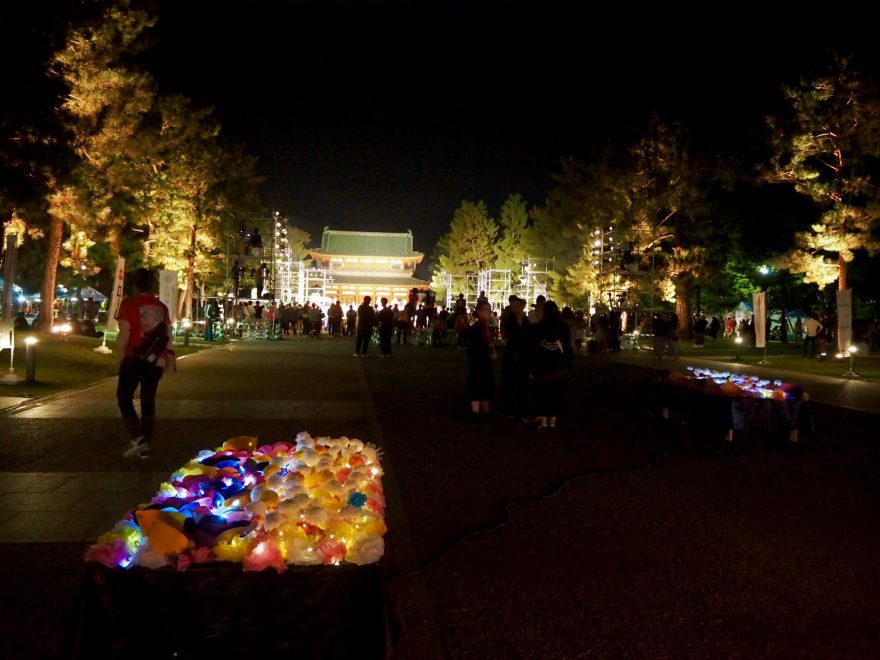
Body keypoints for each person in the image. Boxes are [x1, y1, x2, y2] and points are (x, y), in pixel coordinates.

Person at [116, 267, 173, 460]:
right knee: (148, 399)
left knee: (124, 397)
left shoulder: (129, 304)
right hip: (156, 360)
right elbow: (169, 335)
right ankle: (145, 443)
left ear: (135, 285)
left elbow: (124, 334)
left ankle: (138, 437)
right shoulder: (161, 307)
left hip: (134, 357)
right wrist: (167, 358)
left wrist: (122, 357)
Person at [527, 300, 569, 431]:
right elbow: (567, 348)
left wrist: (531, 369)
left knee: (541, 394)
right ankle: (553, 421)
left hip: (541, 368)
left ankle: (544, 421)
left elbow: (532, 350)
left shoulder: (536, 328)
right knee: (556, 395)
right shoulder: (563, 328)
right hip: (558, 367)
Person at [466, 299, 496, 425]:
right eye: (486, 310)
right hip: (479, 362)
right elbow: (476, 347)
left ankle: (481, 414)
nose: (488, 312)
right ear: (479, 311)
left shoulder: (485, 327)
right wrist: (490, 351)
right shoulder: (478, 328)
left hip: (483, 362)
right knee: (479, 388)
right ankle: (479, 414)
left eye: (489, 310)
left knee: (483, 389)